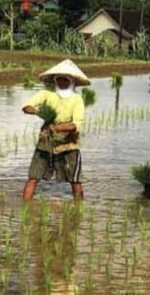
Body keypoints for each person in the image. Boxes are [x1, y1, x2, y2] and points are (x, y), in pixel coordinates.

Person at [22, 59, 88, 201]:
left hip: (68, 142)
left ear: (72, 82)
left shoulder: (77, 99)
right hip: (46, 141)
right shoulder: (46, 94)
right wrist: (39, 111)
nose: (62, 82)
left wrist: (56, 127)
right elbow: (26, 107)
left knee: (75, 180)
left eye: (66, 80)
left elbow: (75, 125)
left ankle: (78, 210)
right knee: (33, 177)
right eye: (59, 80)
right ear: (55, 81)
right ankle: (25, 209)